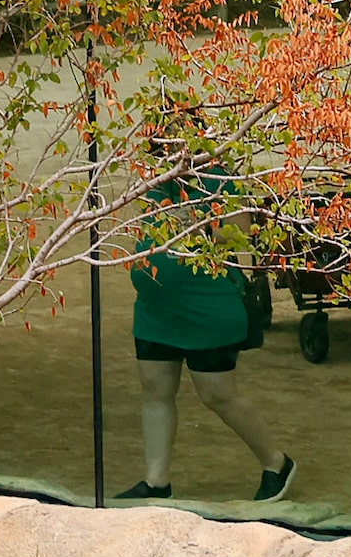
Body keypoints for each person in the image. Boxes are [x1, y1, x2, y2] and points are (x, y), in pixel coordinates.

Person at [122, 188, 292, 504]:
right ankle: (156, 480)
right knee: (155, 388)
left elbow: (240, 233)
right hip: (155, 310)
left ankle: (277, 463)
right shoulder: (155, 177)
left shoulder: (218, 179)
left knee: (218, 395)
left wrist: (197, 226)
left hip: (207, 306)